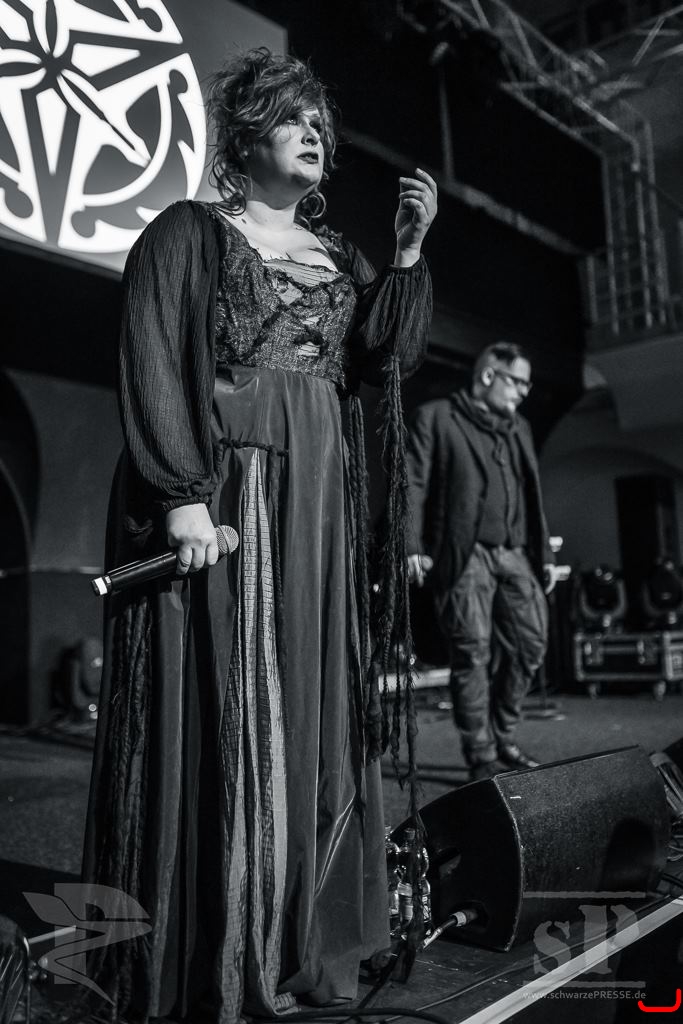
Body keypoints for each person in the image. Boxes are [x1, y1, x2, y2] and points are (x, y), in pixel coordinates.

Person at [82, 48, 437, 1023]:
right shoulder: (189, 232)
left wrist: (406, 255)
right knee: (235, 701)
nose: (313, 131)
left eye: (319, 120)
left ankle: (296, 935)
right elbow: (154, 353)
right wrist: (182, 494)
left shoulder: (341, 257)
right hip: (230, 492)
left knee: (310, 705)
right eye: (290, 117)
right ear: (244, 138)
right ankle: (224, 940)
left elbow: (385, 360)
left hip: (316, 500)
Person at [405, 342, 557, 782]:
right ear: (489, 375)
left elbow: (531, 492)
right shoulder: (437, 416)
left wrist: (544, 552)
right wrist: (411, 544)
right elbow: (413, 482)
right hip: (464, 553)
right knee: (472, 651)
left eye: (527, 384)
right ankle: (482, 754)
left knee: (531, 644)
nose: (524, 391)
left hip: (514, 552)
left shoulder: (520, 427)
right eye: (518, 381)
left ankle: (502, 734)